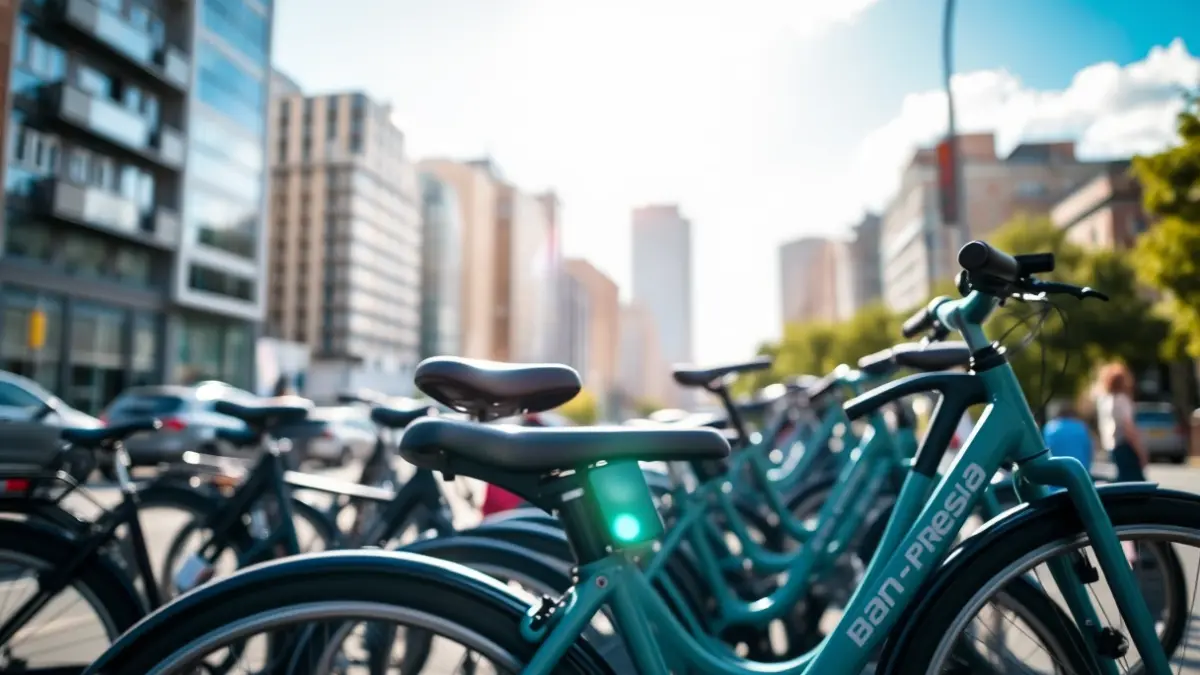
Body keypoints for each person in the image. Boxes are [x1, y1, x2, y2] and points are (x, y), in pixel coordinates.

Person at [1095, 362, 1146, 483]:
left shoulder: (1105, 401)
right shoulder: (1122, 400)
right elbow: (1128, 428)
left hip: (1113, 447)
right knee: (1137, 485)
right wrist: (1141, 452)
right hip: (1125, 446)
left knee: (1123, 482)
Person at [1042, 401, 1093, 472]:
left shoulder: (1049, 427)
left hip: (1055, 473)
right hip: (1079, 471)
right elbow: (1088, 450)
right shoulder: (1081, 427)